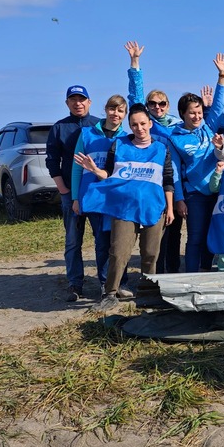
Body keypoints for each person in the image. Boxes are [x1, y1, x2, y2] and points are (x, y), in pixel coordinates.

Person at [75, 103, 175, 313]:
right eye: (134, 124)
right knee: (119, 252)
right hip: (124, 208)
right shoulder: (119, 146)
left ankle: (149, 293)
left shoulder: (161, 148)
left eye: (143, 124)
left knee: (150, 253)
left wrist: (171, 208)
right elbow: (109, 175)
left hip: (153, 208)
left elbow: (168, 180)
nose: (139, 128)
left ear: (150, 124)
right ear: (129, 126)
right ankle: (110, 293)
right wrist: (95, 170)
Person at [124, 40, 188, 273]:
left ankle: (171, 272)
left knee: (174, 230)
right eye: (153, 103)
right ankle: (154, 275)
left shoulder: (177, 127)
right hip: (152, 184)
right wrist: (135, 63)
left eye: (162, 103)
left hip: (176, 184)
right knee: (155, 230)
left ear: (168, 106)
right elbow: (135, 97)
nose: (157, 107)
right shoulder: (148, 126)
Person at [69, 95, 132, 298]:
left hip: (117, 198)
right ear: (105, 109)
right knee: (102, 241)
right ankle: (105, 284)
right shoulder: (86, 134)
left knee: (120, 241)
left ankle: (121, 282)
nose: (116, 114)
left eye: (121, 111)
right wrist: (76, 198)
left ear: (125, 115)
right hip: (94, 197)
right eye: (113, 109)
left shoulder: (125, 139)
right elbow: (76, 169)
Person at [45, 85, 100, 302]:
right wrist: (63, 189)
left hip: (95, 191)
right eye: (73, 99)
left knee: (102, 238)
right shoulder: (59, 128)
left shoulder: (98, 125)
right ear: (67, 103)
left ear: (89, 101)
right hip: (70, 193)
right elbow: (52, 160)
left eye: (82, 99)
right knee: (73, 240)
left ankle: (106, 282)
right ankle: (75, 284)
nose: (78, 103)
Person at [168, 91, 222, 272]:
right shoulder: (175, 138)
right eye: (192, 112)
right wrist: (179, 199)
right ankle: (191, 275)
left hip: (216, 191)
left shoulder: (208, 128)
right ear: (182, 113)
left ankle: (206, 271)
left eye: (199, 112)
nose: (197, 116)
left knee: (211, 235)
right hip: (193, 195)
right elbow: (174, 171)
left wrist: (222, 77)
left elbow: (217, 107)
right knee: (195, 237)